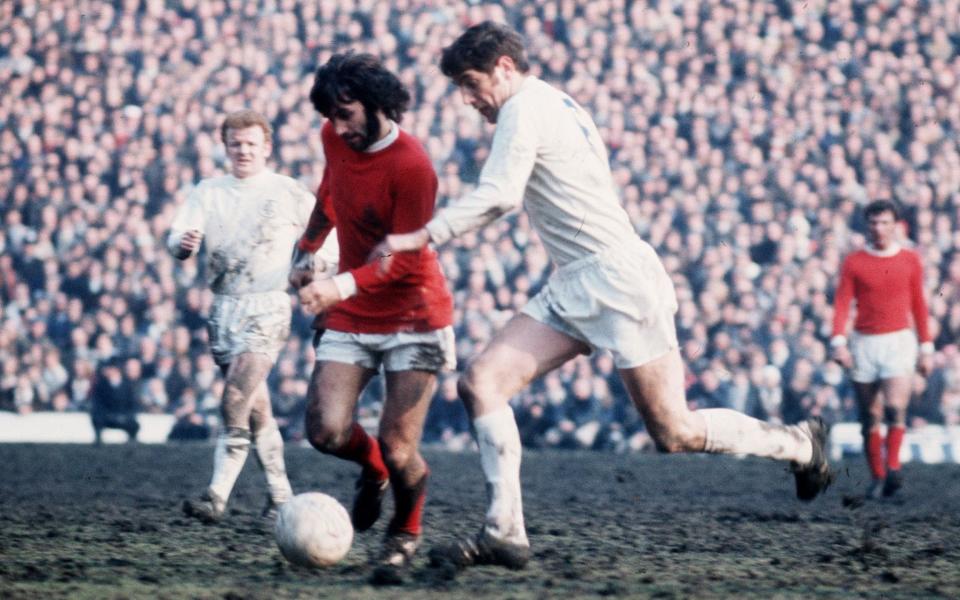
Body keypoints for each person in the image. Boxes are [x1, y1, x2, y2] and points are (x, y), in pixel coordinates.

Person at [373, 22, 833, 571]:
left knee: (674, 431)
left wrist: (421, 235)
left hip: (618, 281)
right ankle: (505, 532)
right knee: (482, 383)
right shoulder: (554, 100)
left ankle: (800, 444)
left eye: (472, 84)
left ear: (503, 67)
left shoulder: (525, 109)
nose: (469, 100)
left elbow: (499, 196)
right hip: (577, 279)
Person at [288, 53, 455, 583]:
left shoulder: (413, 166)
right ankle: (373, 471)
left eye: (347, 114)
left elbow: (403, 259)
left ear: (378, 103)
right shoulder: (334, 137)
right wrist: (307, 248)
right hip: (357, 305)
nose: (338, 128)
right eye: (332, 118)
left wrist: (336, 284)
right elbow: (329, 190)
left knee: (401, 445)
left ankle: (404, 532)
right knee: (325, 430)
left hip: (414, 312)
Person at [167, 109, 338, 523]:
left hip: (267, 305)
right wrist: (183, 244)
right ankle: (281, 497)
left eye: (250, 144)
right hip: (224, 306)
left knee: (235, 397)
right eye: (235, 144)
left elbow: (328, 240)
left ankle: (216, 495)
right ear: (225, 147)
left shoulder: (287, 191)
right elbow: (177, 237)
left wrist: (315, 267)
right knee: (257, 411)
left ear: (266, 148)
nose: (243, 151)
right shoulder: (209, 191)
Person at [830, 199, 934, 499]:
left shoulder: (910, 259)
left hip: (898, 340)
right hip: (864, 342)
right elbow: (842, 303)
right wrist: (839, 341)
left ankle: (893, 467)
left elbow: (919, 304)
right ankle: (878, 476)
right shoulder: (854, 262)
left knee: (894, 407)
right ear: (867, 225)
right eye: (874, 223)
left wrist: (926, 347)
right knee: (869, 416)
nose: (879, 228)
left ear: (896, 225)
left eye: (885, 222)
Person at [89, 358, 140, 444]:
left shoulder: (127, 385)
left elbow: (132, 404)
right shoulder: (101, 385)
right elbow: (98, 404)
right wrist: (107, 415)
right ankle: (98, 441)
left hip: (123, 416)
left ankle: (132, 441)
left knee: (134, 425)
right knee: (96, 419)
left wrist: (125, 416)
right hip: (107, 416)